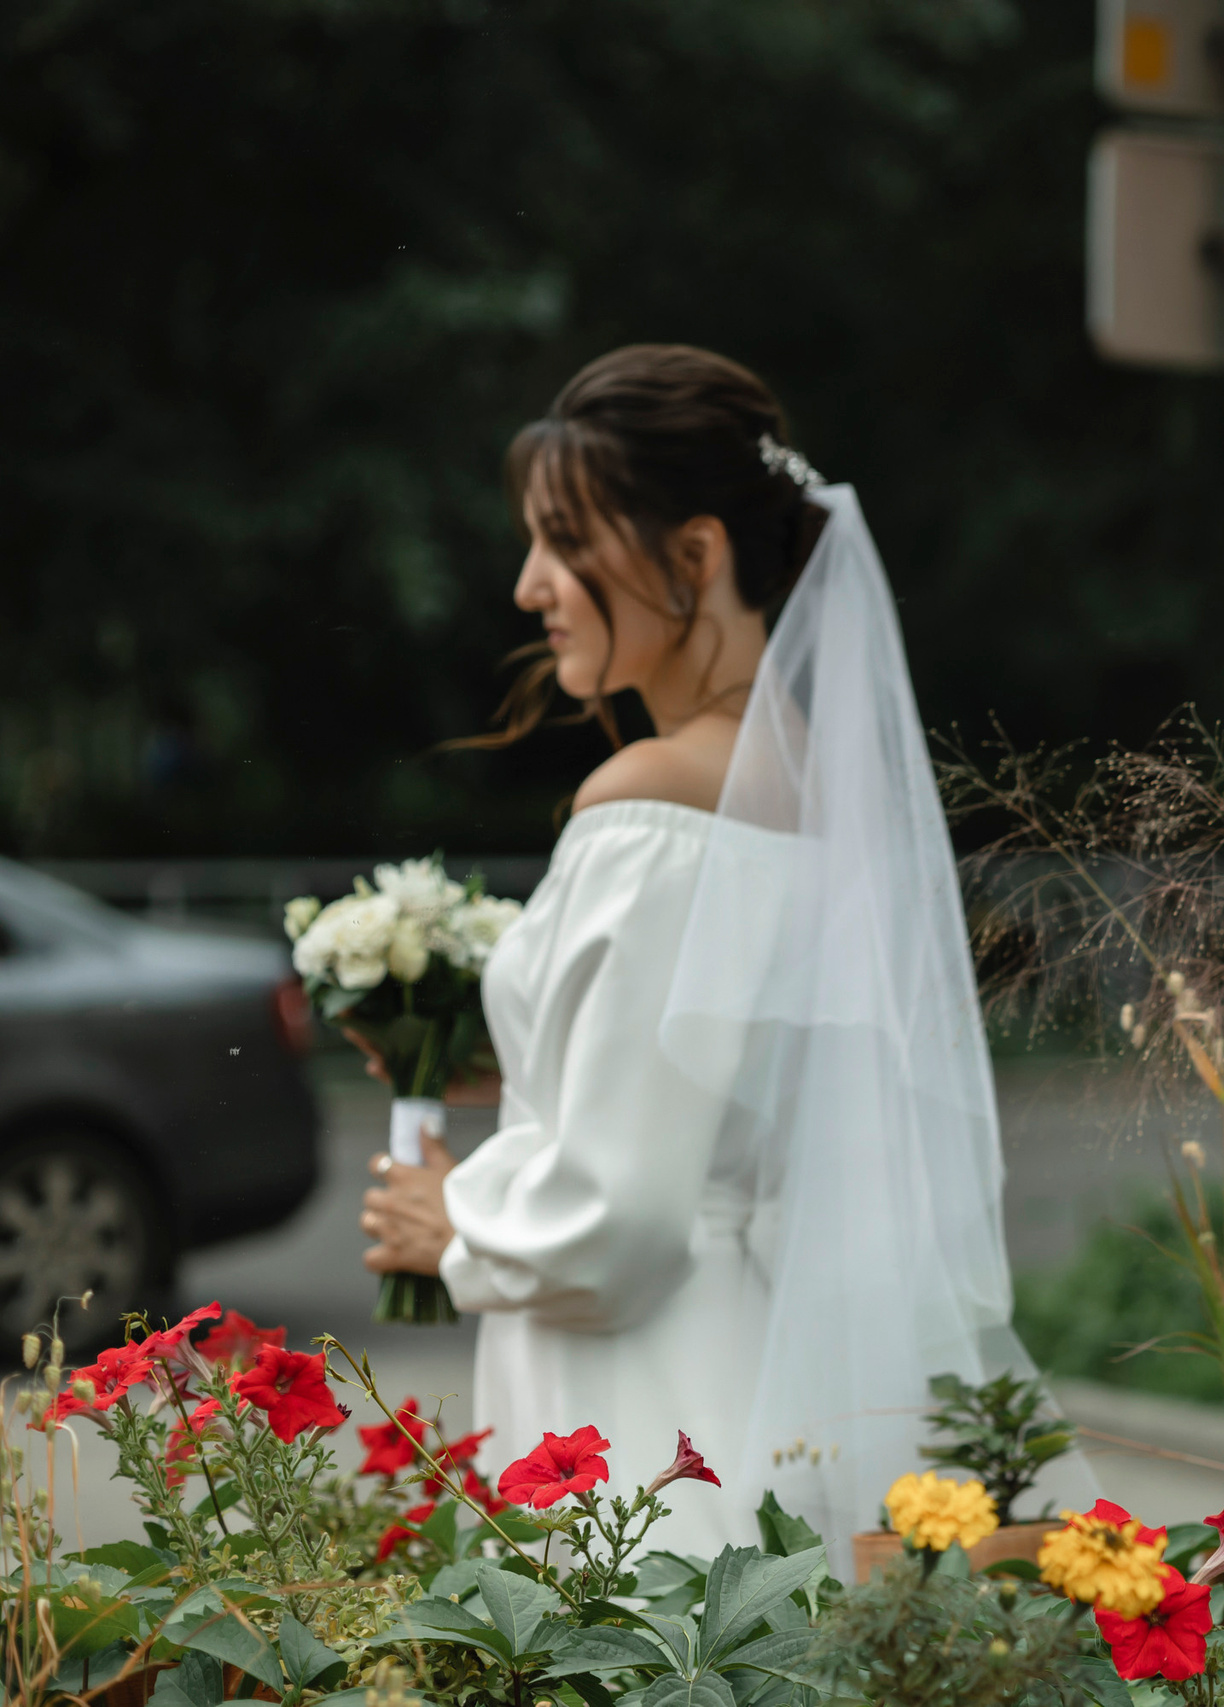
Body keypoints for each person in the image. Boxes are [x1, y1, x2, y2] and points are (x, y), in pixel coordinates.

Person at [357, 345, 1065, 1557]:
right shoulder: (819, 790)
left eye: (564, 541)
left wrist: (453, 1224)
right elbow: (742, 1093)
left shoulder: (652, 810)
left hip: (644, 1401)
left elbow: (621, 1221)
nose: (531, 586)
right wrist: (505, 1071)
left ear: (694, 555)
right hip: (764, 1371)